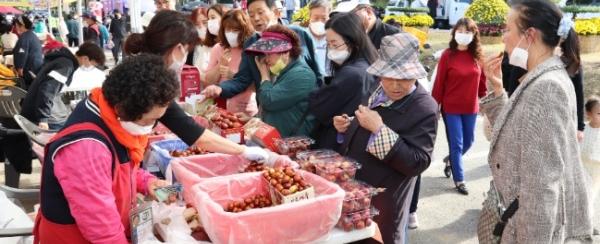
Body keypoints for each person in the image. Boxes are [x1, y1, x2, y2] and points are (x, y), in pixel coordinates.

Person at [33, 54, 176, 243]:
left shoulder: (106, 111)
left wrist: (146, 181)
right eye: (150, 120)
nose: (153, 125)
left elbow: (116, 171)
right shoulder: (86, 148)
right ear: (123, 109)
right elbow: (102, 229)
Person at [481, 0, 592, 242]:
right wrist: (498, 91)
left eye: (507, 29)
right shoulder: (543, 77)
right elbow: (516, 135)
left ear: (529, 35)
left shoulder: (546, 88)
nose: (503, 38)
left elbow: (541, 189)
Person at [123, 10, 270, 160]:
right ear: (179, 49)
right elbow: (189, 130)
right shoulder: (150, 81)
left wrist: (241, 150)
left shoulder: (143, 71)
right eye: (188, 50)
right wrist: (242, 151)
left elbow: (188, 129)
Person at [333, 33, 437, 244]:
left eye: (404, 79)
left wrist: (378, 129)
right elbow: (366, 120)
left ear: (416, 76)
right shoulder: (377, 88)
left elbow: (418, 162)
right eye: (389, 77)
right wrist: (348, 125)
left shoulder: (425, 108)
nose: (395, 86)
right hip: (356, 192)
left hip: (386, 199)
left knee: (382, 238)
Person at [202, 0, 322, 101]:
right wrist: (220, 88)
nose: (256, 19)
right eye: (251, 15)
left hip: (301, 111)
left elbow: (318, 74)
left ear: (275, 12)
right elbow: (242, 79)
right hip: (268, 110)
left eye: (260, 12)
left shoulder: (299, 34)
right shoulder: (250, 43)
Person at [431, 17, 486, 195]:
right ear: (454, 33)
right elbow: (439, 83)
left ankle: (451, 161)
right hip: (451, 107)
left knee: (469, 142)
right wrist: (435, 106)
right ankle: (459, 179)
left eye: (467, 32)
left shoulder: (477, 55)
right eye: (460, 31)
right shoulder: (448, 55)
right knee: (457, 143)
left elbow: (482, 81)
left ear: (474, 34)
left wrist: (484, 100)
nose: (463, 35)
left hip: (471, 107)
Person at [308, 12, 377, 150]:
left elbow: (320, 106)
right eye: (328, 43)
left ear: (353, 40)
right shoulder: (370, 62)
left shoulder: (351, 73)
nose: (331, 49)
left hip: (337, 144)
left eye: (334, 43)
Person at [246, 25, 317, 136]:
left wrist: (264, 76)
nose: (266, 59)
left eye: (269, 53)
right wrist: (250, 119)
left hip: (293, 145)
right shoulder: (284, 71)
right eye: (265, 54)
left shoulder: (302, 74)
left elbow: (269, 101)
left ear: (286, 52)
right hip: (279, 141)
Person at [205, 9, 258, 116]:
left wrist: (234, 76)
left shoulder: (251, 50)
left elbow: (257, 85)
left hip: (246, 110)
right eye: (228, 30)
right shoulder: (218, 48)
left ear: (244, 30)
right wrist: (221, 64)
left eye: (236, 30)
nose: (231, 34)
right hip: (220, 108)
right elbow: (208, 80)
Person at [20, 39, 79, 130]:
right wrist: (43, 119)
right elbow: (47, 90)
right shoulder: (66, 65)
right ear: (86, 58)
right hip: (40, 117)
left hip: (31, 112)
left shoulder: (56, 61)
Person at [332, 0, 400, 49]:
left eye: (350, 15)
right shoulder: (346, 36)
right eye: (339, 16)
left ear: (368, 11)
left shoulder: (394, 36)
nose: (344, 20)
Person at [582, 96, 600, 233]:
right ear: (589, 114)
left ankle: (588, 223)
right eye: (598, 113)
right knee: (584, 194)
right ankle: (585, 224)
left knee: (591, 195)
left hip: (596, 169)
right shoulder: (583, 129)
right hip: (582, 167)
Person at [13, 15, 43, 88]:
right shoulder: (31, 34)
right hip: (35, 67)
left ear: (22, 26)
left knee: (26, 89)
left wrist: (20, 68)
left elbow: (22, 53)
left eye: (16, 25)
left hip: (29, 69)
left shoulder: (24, 37)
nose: (16, 27)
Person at [305, 0, 331, 76]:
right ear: (310, 17)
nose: (320, 22)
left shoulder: (334, 37)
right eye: (316, 18)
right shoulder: (303, 35)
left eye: (324, 18)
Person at [186, 6, 211, 72]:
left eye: (205, 22)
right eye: (197, 24)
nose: (201, 27)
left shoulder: (219, 46)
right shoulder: (191, 47)